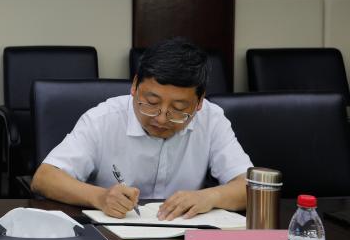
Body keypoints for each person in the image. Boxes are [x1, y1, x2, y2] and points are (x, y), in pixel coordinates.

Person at [30, 37, 251, 220]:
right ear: (135, 86)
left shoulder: (212, 119)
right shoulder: (103, 119)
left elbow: (250, 187)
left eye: (178, 108)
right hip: (115, 236)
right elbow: (45, 178)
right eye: (152, 103)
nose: (161, 118)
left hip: (183, 239)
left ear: (199, 102)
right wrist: (100, 197)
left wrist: (209, 197)